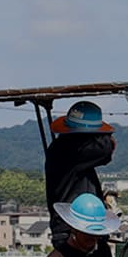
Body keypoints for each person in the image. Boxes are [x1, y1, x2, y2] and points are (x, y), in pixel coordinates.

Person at [45, 101, 116, 239]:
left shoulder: (59, 148)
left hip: (66, 227)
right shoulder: (73, 151)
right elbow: (107, 148)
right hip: (74, 230)